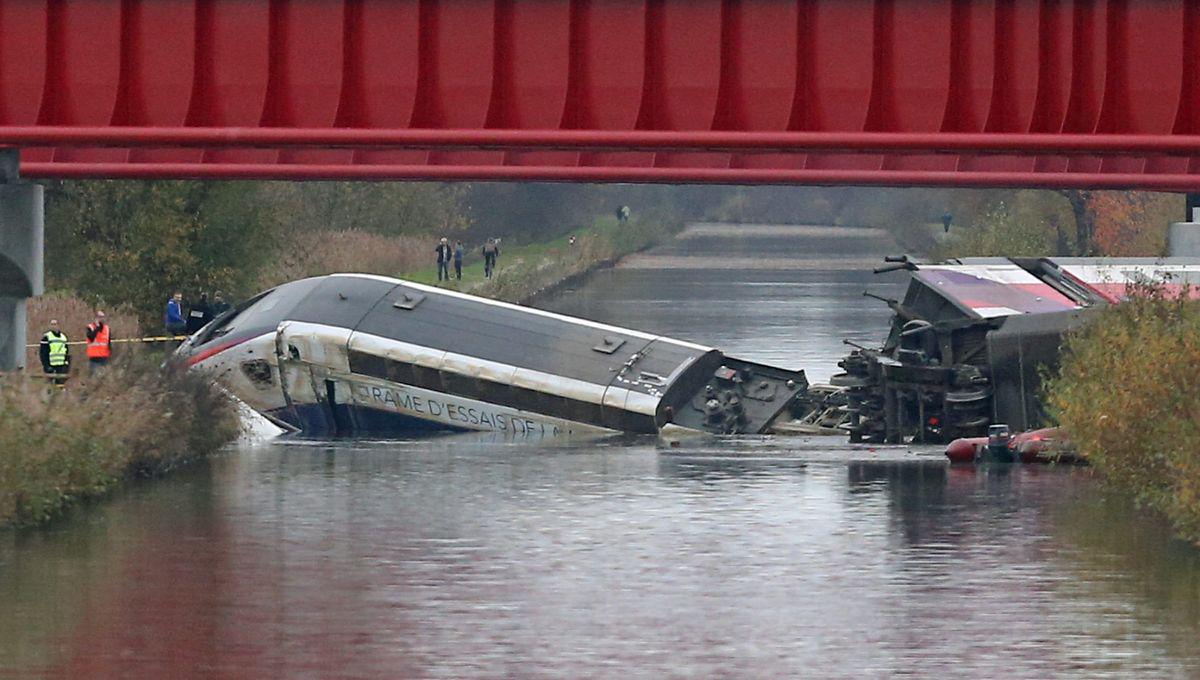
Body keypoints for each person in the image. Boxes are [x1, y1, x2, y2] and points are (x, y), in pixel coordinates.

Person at [38, 318, 70, 385]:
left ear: (58, 325)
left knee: (60, 385)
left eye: (55, 324)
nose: (54, 326)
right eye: (52, 324)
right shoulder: (46, 337)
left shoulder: (63, 337)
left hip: (61, 365)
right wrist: (46, 365)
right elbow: (43, 353)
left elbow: (66, 351)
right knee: (50, 385)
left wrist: (66, 362)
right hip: (50, 365)